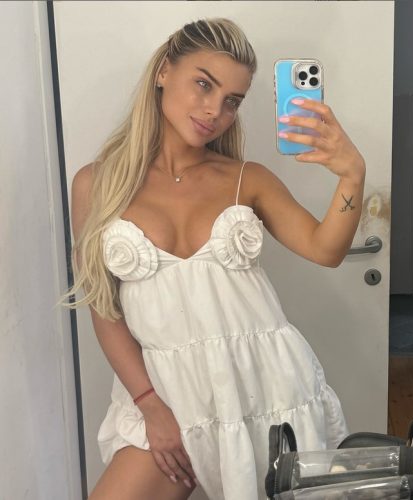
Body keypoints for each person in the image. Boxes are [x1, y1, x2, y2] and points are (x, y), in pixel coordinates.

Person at [61, 17, 366, 500]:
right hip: (166, 394)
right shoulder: (95, 185)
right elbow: (104, 309)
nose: (215, 111)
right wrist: (149, 405)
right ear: (164, 71)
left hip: (268, 392)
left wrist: (352, 176)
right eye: (204, 84)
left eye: (232, 101)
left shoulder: (248, 179)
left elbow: (326, 250)